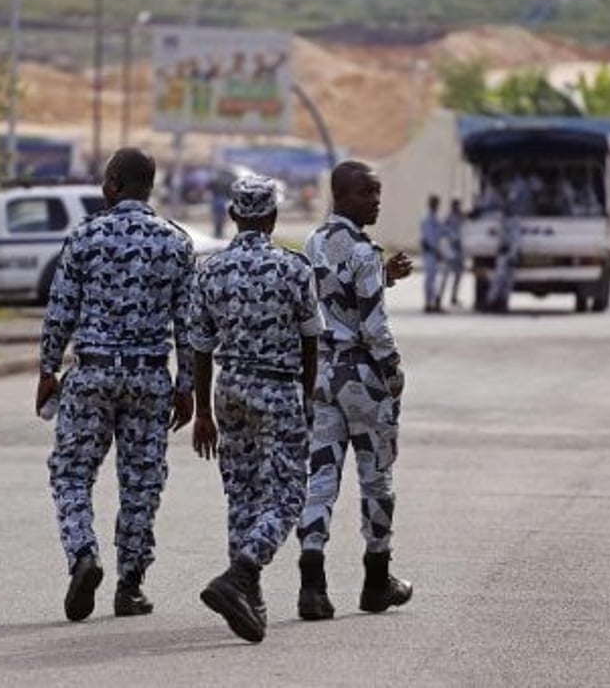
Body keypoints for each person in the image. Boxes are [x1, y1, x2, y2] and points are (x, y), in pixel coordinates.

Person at [35, 147, 195, 623]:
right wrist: (186, 385)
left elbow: (60, 311)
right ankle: (130, 586)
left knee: (71, 474)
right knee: (141, 482)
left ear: (111, 184)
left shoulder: (85, 237)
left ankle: (84, 553)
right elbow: (187, 325)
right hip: (149, 376)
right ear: (151, 186)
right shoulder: (177, 243)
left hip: (92, 372)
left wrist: (47, 370)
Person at [189, 175, 323, 643]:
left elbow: (200, 346)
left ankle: (249, 600)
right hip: (279, 388)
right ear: (272, 217)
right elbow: (311, 341)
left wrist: (203, 411)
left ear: (232, 215)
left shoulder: (209, 270)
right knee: (288, 495)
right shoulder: (293, 269)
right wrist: (308, 398)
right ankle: (241, 574)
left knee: (243, 495)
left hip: (229, 390)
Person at [297, 160, 414, 621]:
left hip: (323, 375)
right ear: (342, 196)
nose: (377, 201)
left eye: (377, 192)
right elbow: (372, 325)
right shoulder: (365, 252)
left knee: (321, 478)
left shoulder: (314, 242)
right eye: (368, 193)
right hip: (363, 379)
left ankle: (312, 584)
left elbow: (332, 296)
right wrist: (393, 372)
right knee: (376, 477)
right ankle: (376, 579)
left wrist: (384, 276)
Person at [419, 194, 444, 313]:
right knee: (430, 279)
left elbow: (440, 236)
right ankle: (428, 303)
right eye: (434, 203)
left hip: (436, 252)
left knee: (435, 279)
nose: (436, 205)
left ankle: (435, 302)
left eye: (437, 203)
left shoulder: (437, 218)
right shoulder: (426, 218)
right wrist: (436, 251)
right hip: (429, 252)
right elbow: (426, 239)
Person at [438, 197, 465, 308]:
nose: (458, 207)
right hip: (451, 249)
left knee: (458, 275)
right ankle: (438, 297)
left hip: (459, 250)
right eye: (456, 205)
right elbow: (445, 232)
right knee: (445, 275)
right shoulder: (449, 218)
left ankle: (454, 296)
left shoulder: (461, 217)